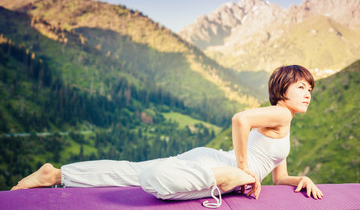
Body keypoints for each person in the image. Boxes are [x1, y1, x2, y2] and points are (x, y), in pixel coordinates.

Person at [11, 65, 323, 208]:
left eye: (310, 88)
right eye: (301, 87)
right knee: (153, 180)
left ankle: (56, 174)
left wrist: (299, 180)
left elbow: (277, 176)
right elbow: (240, 119)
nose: (307, 93)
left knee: (130, 169)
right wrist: (242, 169)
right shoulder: (282, 113)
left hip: (210, 161)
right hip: (221, 166)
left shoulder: (285, 121)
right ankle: (227, 176)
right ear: (282, 91)